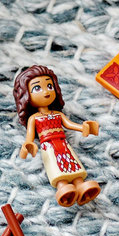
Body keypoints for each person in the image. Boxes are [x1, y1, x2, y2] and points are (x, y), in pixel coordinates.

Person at [13, 65, 101, 207]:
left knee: (72, 164)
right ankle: (63, 187)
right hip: (49, 146)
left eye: (49, 86)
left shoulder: (58, 114)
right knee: (56, 166)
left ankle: (80, 185)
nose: (46, 91)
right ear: (26, 96)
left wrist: (84, 128)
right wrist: (28, 145)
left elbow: (69, 124)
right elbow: (29, 137)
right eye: (37, 88)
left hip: (63, 143)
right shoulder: (34, 118)